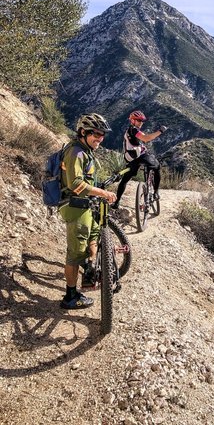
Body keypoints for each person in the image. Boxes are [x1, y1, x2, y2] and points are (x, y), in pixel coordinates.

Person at [59, 113, 116, 310]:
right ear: (83, 132)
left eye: (102, 135)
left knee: (93, 234)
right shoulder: (76, 152)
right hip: (75, 206)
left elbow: (87, 179)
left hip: (85, 204)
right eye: (96, 134)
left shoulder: (86, 151)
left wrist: (97, 190)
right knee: (74, 254)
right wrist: (102, 192)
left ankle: (90, 267)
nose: (100, 138)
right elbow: (75, 184)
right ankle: (70, 296)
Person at [112, 110, 167, 209]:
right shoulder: (134, 130)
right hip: (140, 156)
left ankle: (116, 202)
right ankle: (156, 192)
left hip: (131, 159)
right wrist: (160, 131)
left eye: (142, 121)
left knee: (125, 179)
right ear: (132, 120)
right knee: (157, 166)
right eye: (138, 120)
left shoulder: (129, 130)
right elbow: (146, 138)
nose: (141, 123)